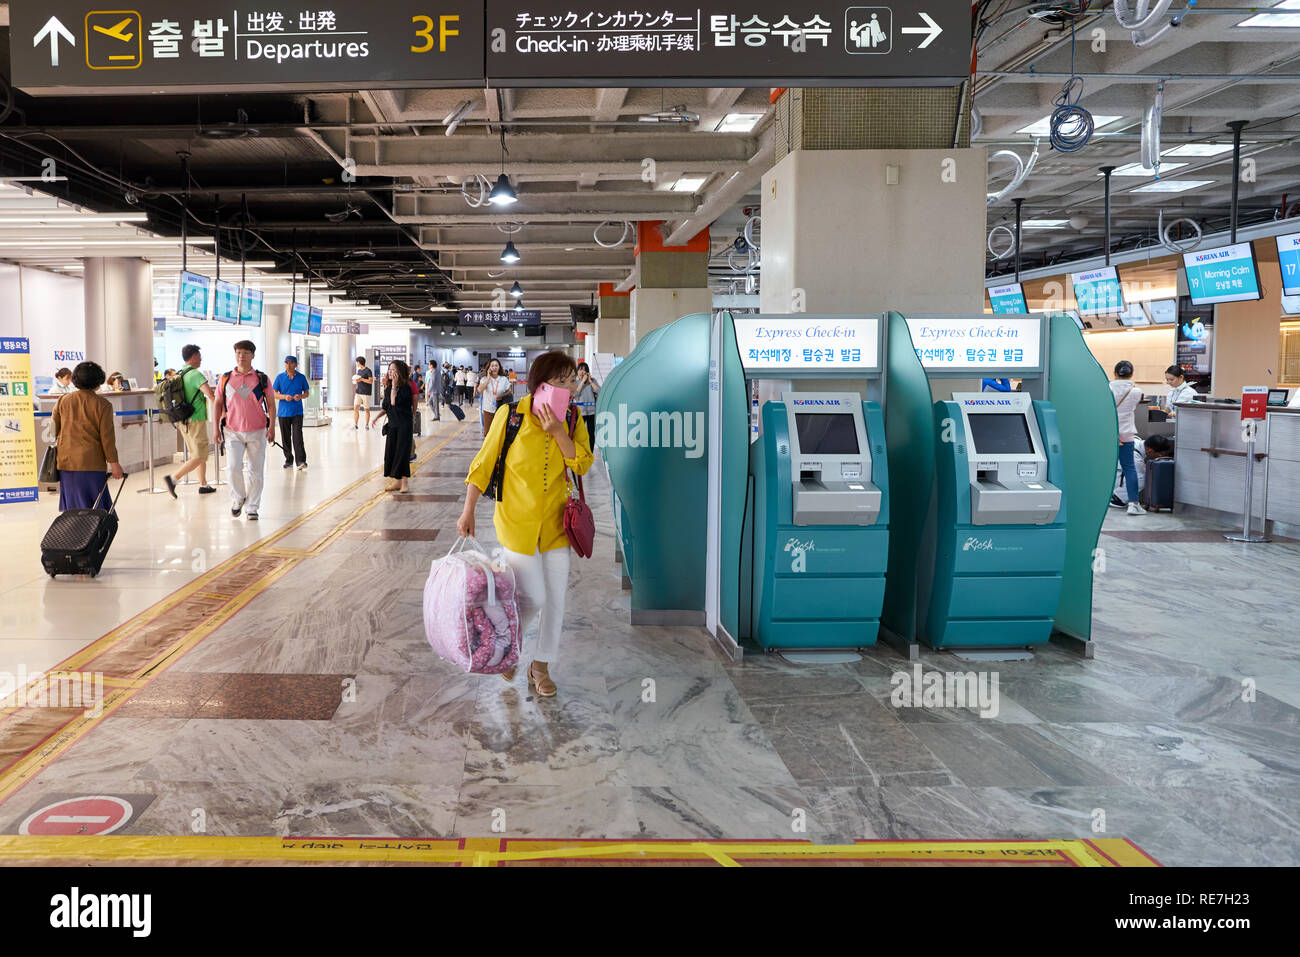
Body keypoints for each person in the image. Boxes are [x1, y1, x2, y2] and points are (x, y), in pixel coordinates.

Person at [459, 351, 594, 697]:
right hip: (516, 523)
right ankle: (510, 649)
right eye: (560, 382)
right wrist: (468, 509)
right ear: (540, 385)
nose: (569, 388)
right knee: (533, 595)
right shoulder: (511, 416)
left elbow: (581, 464)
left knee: (557, 600)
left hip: (556, 525)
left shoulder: (573, 418)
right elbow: (483, 464)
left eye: (570, 382)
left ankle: (541, 666)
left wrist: (559, 431)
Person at [213, 340, 276, 521]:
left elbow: (271, 404)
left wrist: (272, 427)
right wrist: (216, 429)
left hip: (257, 430)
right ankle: (238, 498)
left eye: (246, 353)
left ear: (253, 355)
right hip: (233, 431)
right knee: (233, 467)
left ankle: (253, 507)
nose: (241, 356)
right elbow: (217, 404)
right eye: (238, 353)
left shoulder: (261, 379)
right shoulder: (225, 379)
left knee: (256, 470)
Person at [51, 361, 124, 510]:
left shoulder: (63, 400)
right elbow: (107, 438)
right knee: (95, 508)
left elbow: (53, 430)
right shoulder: (103, 405)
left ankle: (73, 533)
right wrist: (114, 464)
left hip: (66, 462)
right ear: (98, 382)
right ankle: (93, 534)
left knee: (72, 508)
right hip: (91, 462)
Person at [164, 344, 217, 498]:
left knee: (196, 453)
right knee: (200, 455)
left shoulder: (180, 373)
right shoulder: (195, 374)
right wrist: (222, 412)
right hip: (196, 419)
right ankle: (173, 479)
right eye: (199, 356)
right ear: (193, 357)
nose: (201, 359)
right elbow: (210, 395)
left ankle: (203, 484)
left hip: (184, 420)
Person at [1110, 360, 1145, 516]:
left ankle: (1104, 500)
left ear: (1115, 373)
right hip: (1127, 435)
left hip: (1108, 434)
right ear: (1131, 373)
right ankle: (1133, 504)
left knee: (1107, 470)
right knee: (1129, 468)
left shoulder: (1107, 389)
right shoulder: (1136, 391)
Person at [377, 359, 414, 493]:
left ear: (400, 372)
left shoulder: (405, 388)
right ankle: (397, 481)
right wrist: (376, 417)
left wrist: (394, 386)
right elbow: (386, 407)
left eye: (394, 370)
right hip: (393, 425)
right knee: (391, 453)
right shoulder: (388, 388)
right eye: (389, 370)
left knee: (402, 453)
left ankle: (404, 483)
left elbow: (394, 402)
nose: (391, 372)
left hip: (404, 425)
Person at [273, 355, 310, 471]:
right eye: (287, 363)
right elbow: (274, 393)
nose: (289, 365)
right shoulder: (280, 377)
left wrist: (301, 396)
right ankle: (289, 460)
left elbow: (307, 393)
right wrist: (284, 396)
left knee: (297, 436)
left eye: (291, 363)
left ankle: (301, 461)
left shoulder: (301, 377)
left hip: (297, 411)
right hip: (283, 412)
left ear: (296, 364)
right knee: (285, 438)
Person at [476, 358, 513, 436]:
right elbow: (479, 390)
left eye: (496, 365)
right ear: (489, 368)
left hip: (501, 409)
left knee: (499, 433)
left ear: (499, 367)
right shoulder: (484, 379)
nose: (494, 367)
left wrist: (501, 396)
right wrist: (488, 378)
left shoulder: (504, 379)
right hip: (488, 409)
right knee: (488, 433)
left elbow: (509, 391)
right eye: (492, 366)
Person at [574, 362, 600, 442]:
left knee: (591, 433)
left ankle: (590, 452)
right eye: (581, 369)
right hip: (580, 412)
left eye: (585, 370)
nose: (583, 372)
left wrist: (590, 381)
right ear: (577, 371)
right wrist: (582, 382)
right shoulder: (575, 382)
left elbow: (599, 391)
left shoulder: (592, 381)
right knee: (578, 433)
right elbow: (575, 394)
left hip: (591, 412)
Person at [352, 357, 373, 429]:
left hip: (366, 393)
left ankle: (366, 425)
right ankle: (355, 425)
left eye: (356, 362)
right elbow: (359, 380)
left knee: (366, 409)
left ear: (359, 362)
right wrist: (357, 381)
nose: (356, 363)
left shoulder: (368, 371)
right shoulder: (359, 371)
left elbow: (370, 381)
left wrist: (361, 379)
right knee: (355, 408)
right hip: (358, 392)